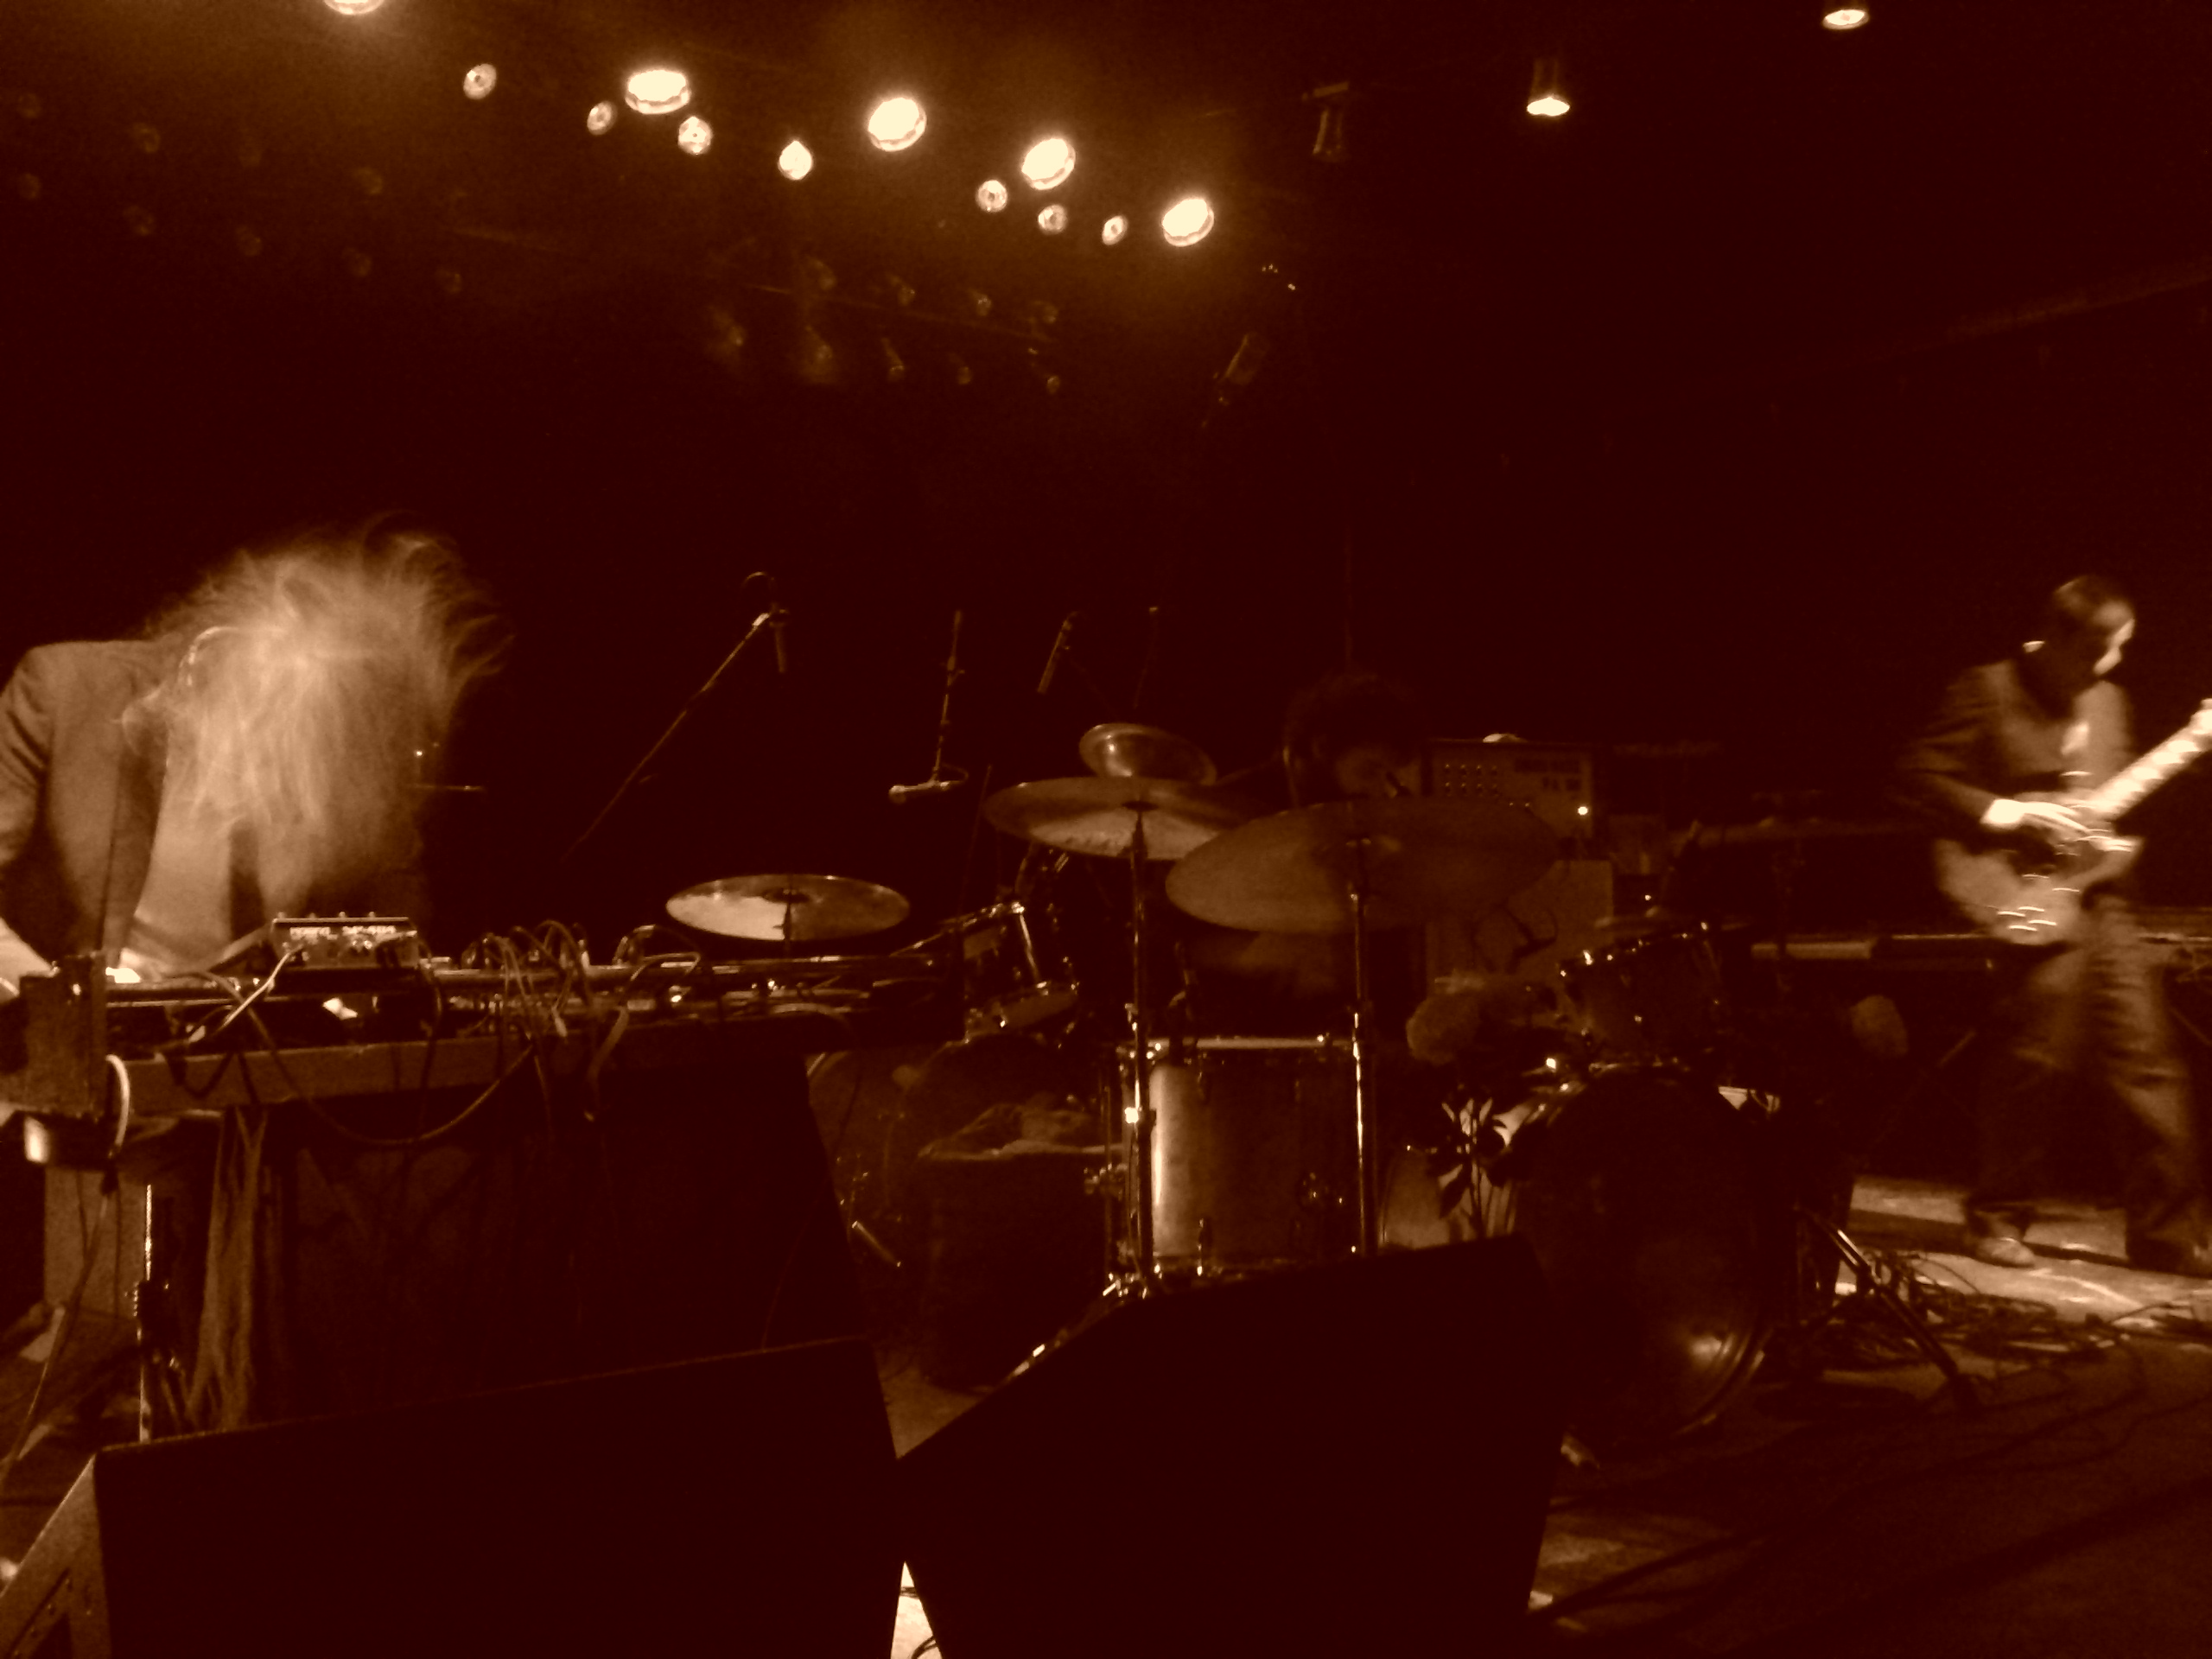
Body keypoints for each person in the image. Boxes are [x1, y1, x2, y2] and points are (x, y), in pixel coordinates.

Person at [0, 526, 493, 999]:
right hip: (71, 1025)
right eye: (265, 746)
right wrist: (65, 1001)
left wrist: (362, 999)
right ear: (199, 679)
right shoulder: (62, 691)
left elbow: (398, 916)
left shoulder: (342, 734)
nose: (279, 779)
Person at [1895, 574, 2212, 1275]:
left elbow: (2109, 802)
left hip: (2102, 898)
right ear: (2057, 636)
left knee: (2148, 1062)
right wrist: (2015, 814)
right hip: (2023, 891)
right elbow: (1918, 775)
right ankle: (1996, 1220)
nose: (2112, 662)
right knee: (2036, 1060)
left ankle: (2167, 1235)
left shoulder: (2109, 701)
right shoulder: (1987, 689)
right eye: (2100, 647)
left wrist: (2194, 748)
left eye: (2120, 646)